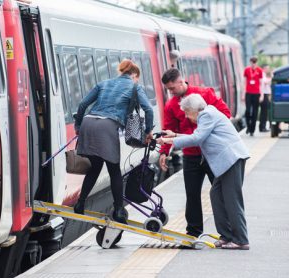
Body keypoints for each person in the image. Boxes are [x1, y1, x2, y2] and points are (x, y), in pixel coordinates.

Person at [157, 94, 250, 250]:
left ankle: (241, 240)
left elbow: (197, 138)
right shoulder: (208, 114)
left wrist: (168, 141)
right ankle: (226, 236)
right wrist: (175, 135)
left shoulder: (206, 115)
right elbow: (199, 136)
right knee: (216, 195)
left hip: (231, 160)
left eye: (187, 113)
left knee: (232, 200)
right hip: (227, 162)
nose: (186, 117)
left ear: (194, 110)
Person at [73, 59, 154, 223]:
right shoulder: (135, 86)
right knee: (114, 170)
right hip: (107, 126)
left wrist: (78, 125)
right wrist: (148, 131)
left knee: (94, 168)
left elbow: (82, 104)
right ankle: (118, 210)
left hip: (88, 123)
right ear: (135, 75)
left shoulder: (103, 83)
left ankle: (80, 204)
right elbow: (149, 109)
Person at [159, 68, 231, 237]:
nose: (171, 92)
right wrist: (164, 152)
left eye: (172, 88)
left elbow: (225, 115)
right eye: (168, 90)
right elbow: (168, 130)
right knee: (192, 194)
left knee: (220, 193)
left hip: (212, 154)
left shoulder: (205, 94)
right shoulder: (171, 105)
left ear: (180, 81)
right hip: (191, 156)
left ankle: (228, 232)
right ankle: (193, 232)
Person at [243, 56, 263, 136]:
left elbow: (261, 84)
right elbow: (244, 82)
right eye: (252, 62)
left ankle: (252, 130)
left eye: (255, 62)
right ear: (250, 62)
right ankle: (248, 126)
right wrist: (243, 94)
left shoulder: (259, 70)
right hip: (248, 93)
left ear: (256, 63)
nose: (253, 64)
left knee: (255, 112)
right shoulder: (247, 70)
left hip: (256, 93)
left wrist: (261, 95)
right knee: (247, 111)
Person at [259, 64, 272, 132]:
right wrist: (272, 77)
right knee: (264, 112)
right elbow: (266, 82)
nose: (268, 70)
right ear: (264, 68)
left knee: (265, 111)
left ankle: (263, 127)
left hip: (266, 94)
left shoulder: (265, 75)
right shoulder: (262, 75)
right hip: (264, 95)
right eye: (267, 68)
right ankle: (262, 127)